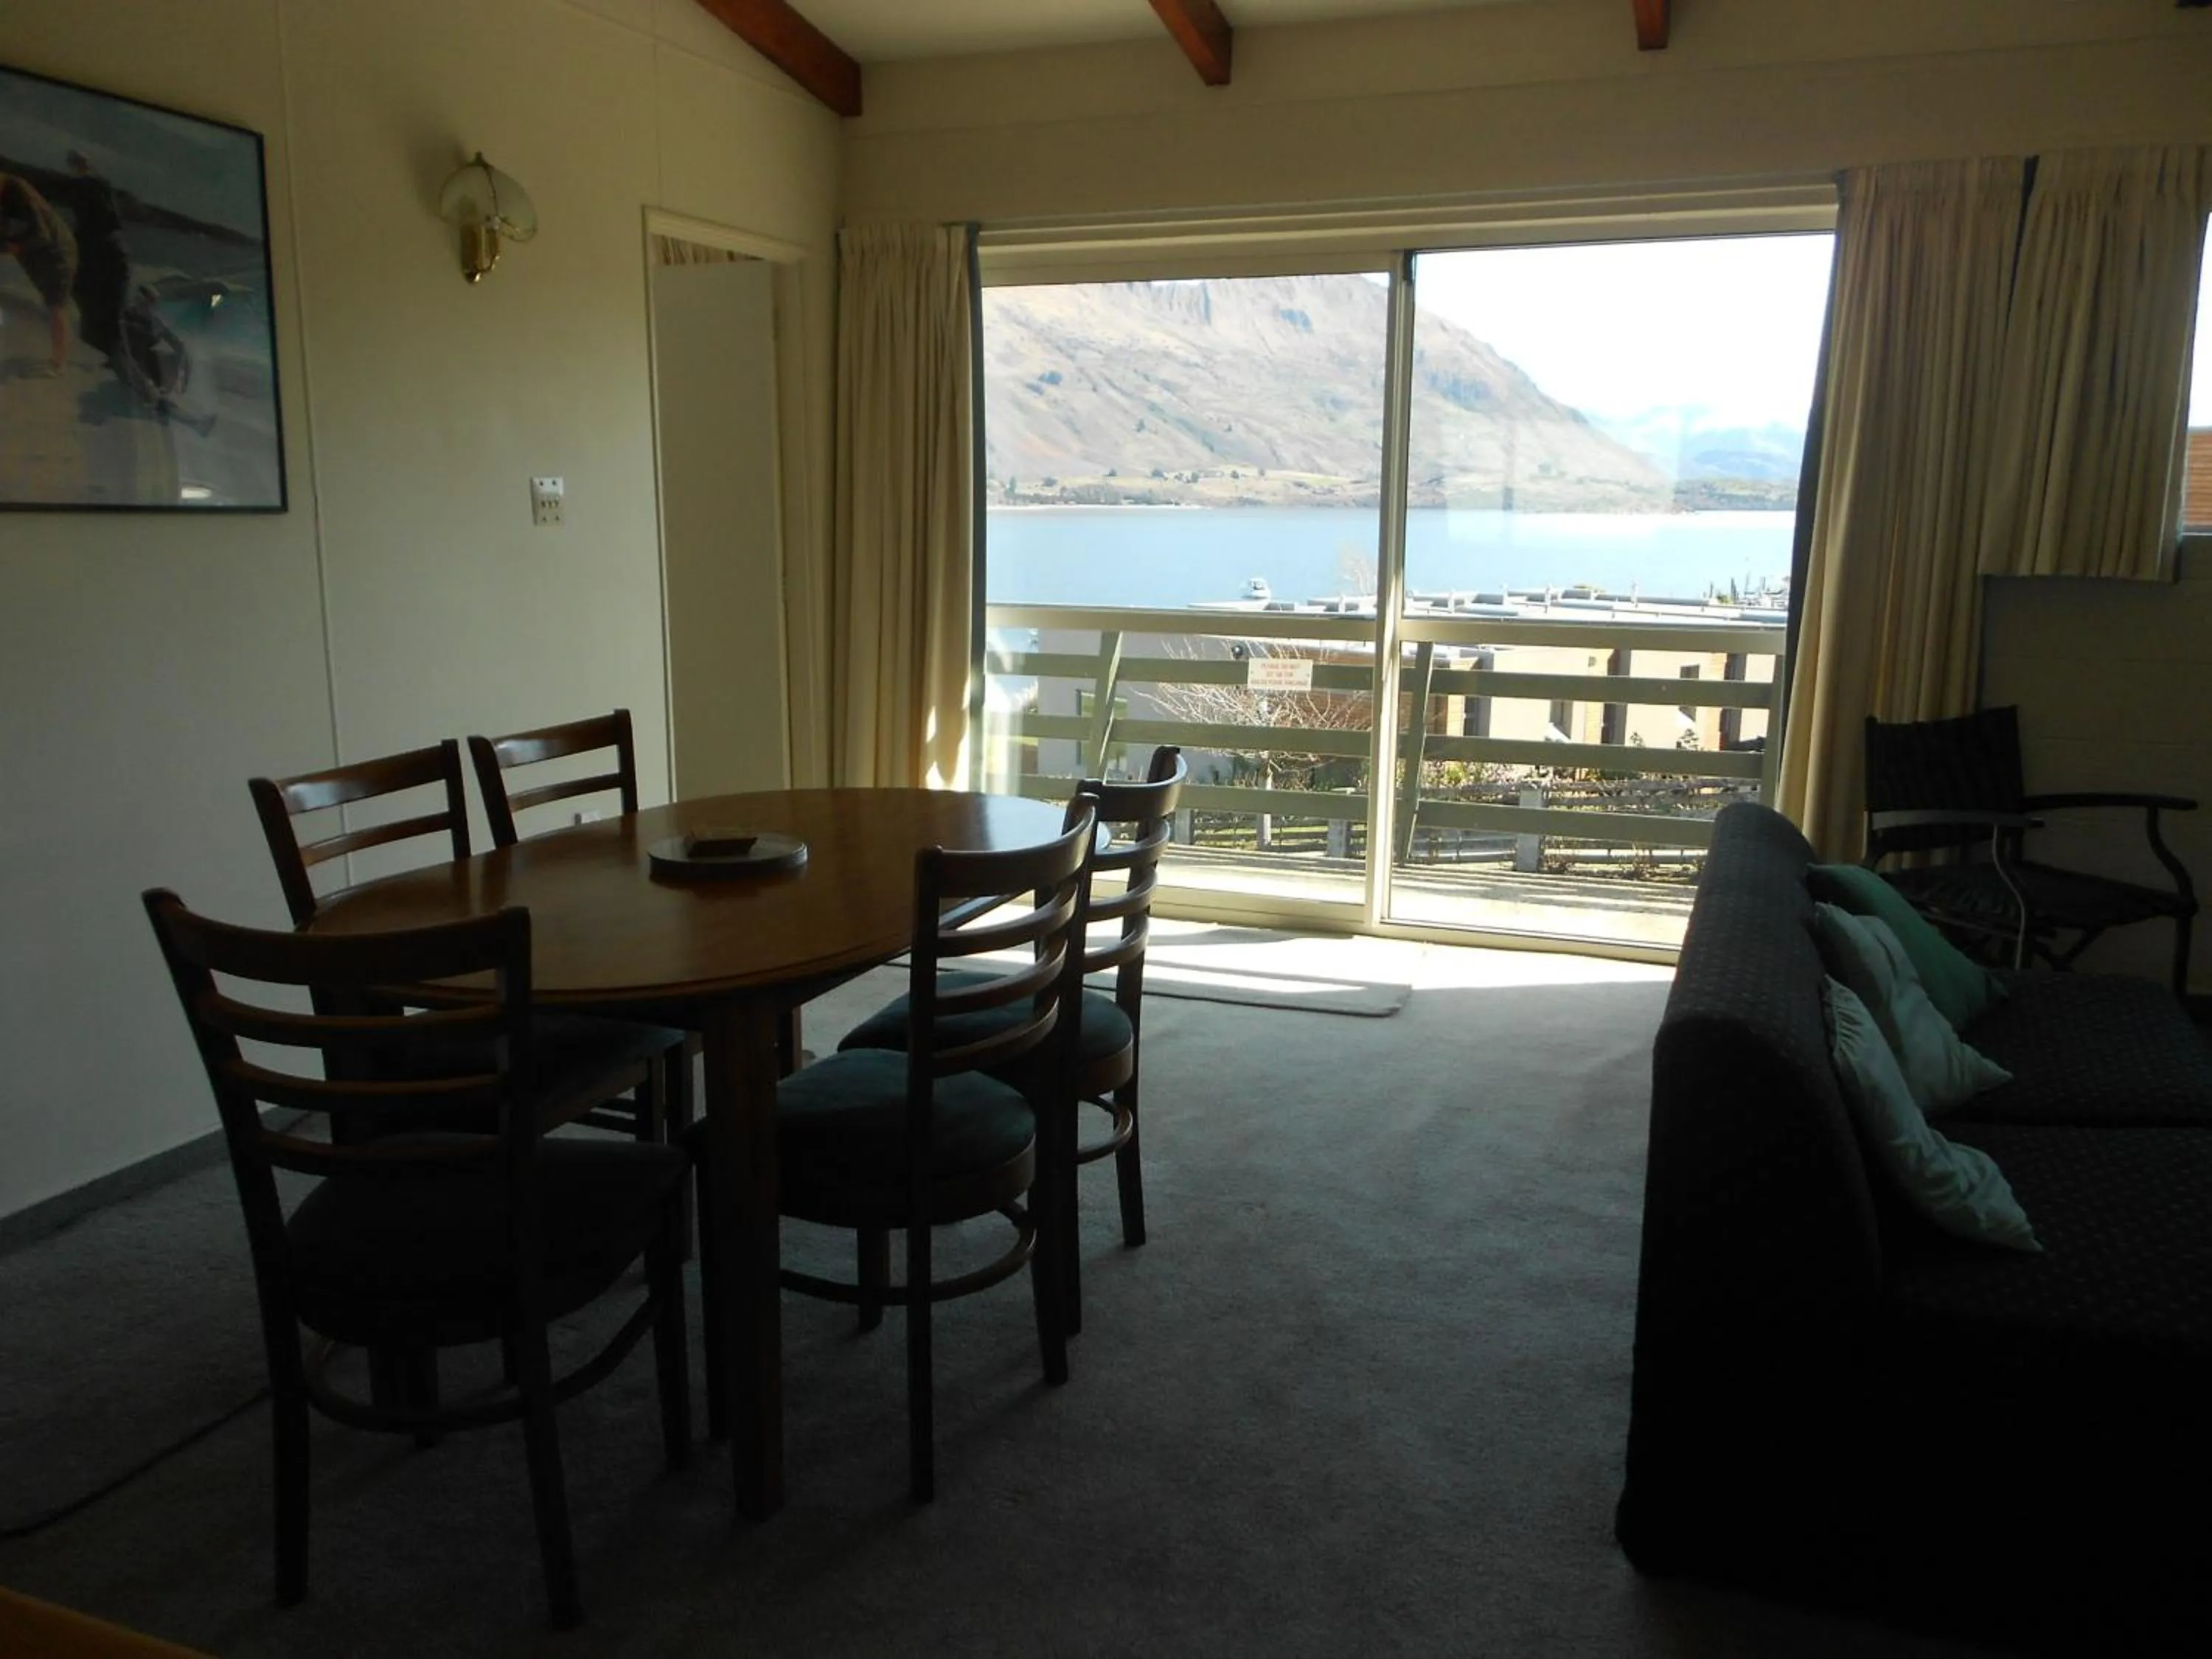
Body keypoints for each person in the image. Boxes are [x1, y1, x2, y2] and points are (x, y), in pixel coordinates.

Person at [0, 172, 77, 376]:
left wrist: (14, 248)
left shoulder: (21, 197)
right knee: (53, 305)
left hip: (58, 256)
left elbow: (41, 236)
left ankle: (59, 364)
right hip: (42, 257)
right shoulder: (7, 199)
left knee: (56, 306)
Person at [60, 150, 129, 364]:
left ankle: (111, 353)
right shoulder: (100, 186)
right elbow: (109, 219)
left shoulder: (88, 187)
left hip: (101, 251)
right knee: (109, 306)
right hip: (111, 250)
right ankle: (112, 353)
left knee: (97, 301)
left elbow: (91, 221)